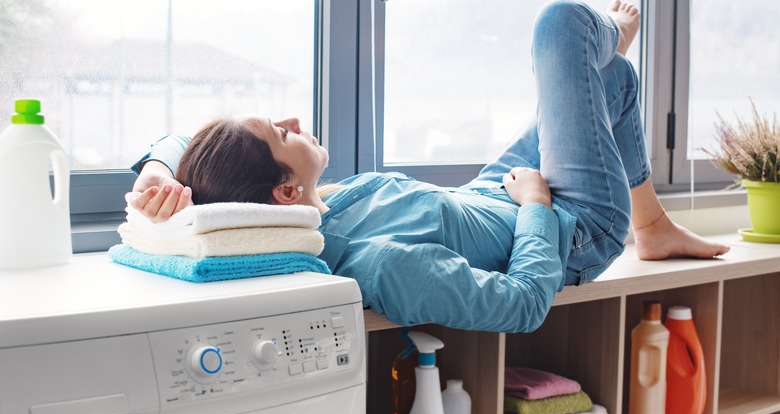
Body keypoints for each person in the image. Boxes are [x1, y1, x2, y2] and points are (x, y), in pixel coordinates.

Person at [129, 0, 729, 333]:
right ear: (284, 192)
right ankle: (607, 42)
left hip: (490, 193)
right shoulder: (377, 264)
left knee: (612, 79)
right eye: (279, 132)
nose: (291, 118)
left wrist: (158, 171)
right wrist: (539, 209)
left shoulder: (317, 210)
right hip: (569, 225)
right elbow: (520, 304)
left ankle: (651, 226)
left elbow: (203, 151)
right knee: (564, 25)